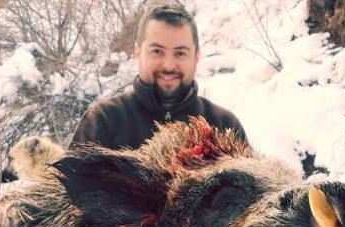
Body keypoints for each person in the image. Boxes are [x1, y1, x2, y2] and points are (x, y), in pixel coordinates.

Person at [69, 3, 247, 150]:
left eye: (180, 53)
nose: (168, 65)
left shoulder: (225, 126)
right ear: (138, 53)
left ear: (196, 57)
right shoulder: (103, 121)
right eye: (157, 51)